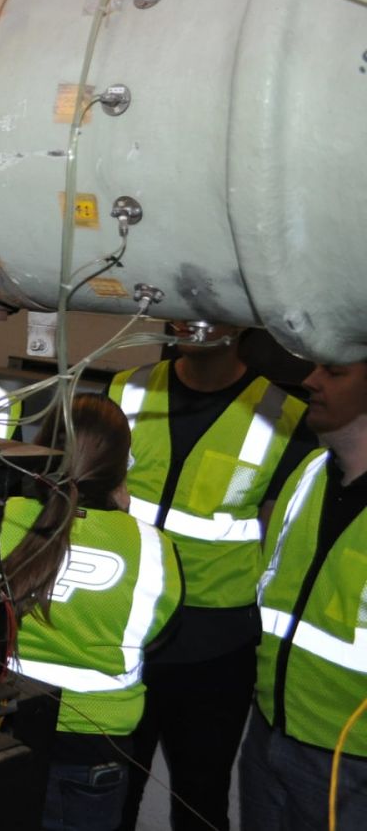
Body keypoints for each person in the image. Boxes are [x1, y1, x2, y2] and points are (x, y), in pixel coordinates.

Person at [108, 322, 311, 830]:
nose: (187, 320)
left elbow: (280, 542)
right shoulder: (126, 389)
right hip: (122, 626)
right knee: (113, 791)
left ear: (240, 319)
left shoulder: (285, 417)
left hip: (215, 645)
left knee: (200, 802)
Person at [0, 394, 182, 831]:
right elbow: (160, 637)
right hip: (96, 749)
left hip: (1, 731)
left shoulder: (3, 518)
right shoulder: (155, 548)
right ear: (123, 466)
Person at [241, 360, 367, 829]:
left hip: (349, 761)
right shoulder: (309, 473)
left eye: (334, 372)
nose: (311, 382)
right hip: (269, 728)